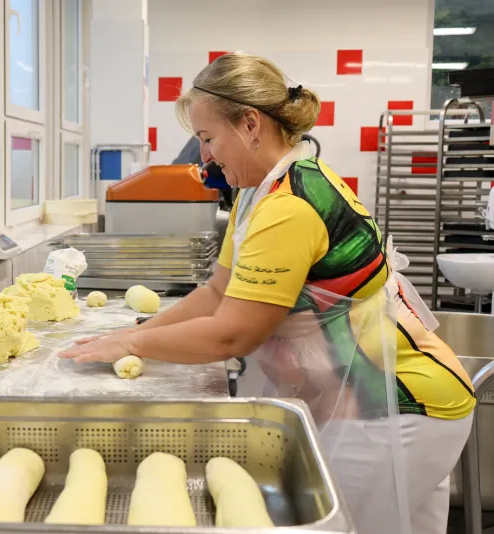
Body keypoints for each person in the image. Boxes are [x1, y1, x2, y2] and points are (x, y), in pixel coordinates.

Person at [60, 54, 474, 534]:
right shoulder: (257, 193)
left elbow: (232, 335)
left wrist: (133, 344)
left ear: (250, 124)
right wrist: (138, 331)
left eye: (208, 138)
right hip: (377, 401)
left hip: (395, 410)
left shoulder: (289, 205)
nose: (204, 157)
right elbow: (217, 292)